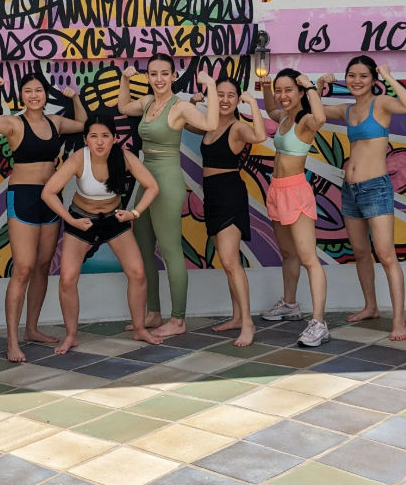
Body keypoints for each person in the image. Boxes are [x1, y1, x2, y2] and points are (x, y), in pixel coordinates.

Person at [0, 73, 87, 362]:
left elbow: (84, 124)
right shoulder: (14, 123)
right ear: (21, 95)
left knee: (41, 265)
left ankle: (32, 329)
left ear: (45, 94)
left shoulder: (56, 122)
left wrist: (74, 99)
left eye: (39, 90)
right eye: (28, 91)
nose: (34, 95)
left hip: (51, 198)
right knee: (23, 267)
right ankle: (12, 340)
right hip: (23, 197)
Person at [41, 115, 163, 353]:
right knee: (67, 278)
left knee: (137, 273)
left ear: (115, 138)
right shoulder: (79, 158)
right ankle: (71, 335)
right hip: (81, 218)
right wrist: (71, 220)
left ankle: (139, 328)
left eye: (105, 136)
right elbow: (48, 192)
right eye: (94, 136)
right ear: (86, 139)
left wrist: (134, 213)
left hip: (113, 218)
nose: (100, 142)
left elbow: (153, 186)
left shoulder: (124, 156)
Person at [317, 56, 406, 341]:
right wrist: (318, 85)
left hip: (375, 187)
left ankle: (399, 320)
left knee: (386, 255)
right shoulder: (348, 110)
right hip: (350, 190)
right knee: (360, 252)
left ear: (373, 80)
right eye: (352, 75)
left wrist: (388, 76)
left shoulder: (382, 103)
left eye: (363, 76)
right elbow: (316, 112)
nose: (356, 81)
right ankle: (370, 306)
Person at [117, 55, 218, 338]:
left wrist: (209, 85)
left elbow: (211, 123)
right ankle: (153, 312)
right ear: (147, 76)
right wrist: (125, 79)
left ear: (174, 75)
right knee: (143, 246)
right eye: (153, 74)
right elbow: (123, 106)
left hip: (167, 183)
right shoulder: (148, 102)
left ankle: (178, 319)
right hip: (144, 180)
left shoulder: (180, 106)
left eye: (164, 73)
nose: (158, 79)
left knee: (171, 250)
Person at [187, 76, 266, 346]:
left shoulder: (237, 128)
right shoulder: (209, 125)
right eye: (219, 94)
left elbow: (260, 135)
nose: (224, 99)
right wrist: (193, 101)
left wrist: (253, 103)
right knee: (227, 261)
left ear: (237, 99)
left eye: (230, 95)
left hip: (230, 194)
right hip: (212, 194)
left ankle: (248, 323)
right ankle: (236, 316)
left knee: (231, 262)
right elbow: (184, 121)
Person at [260, 68, 331, 347]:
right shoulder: (285, 117)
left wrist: (311, 85)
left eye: (288, 90)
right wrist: (266, 87)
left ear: (300, 92)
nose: (282, 95)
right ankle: (290, 304)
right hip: (276, 190)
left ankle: (319, 323)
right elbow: (269, 108)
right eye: (280, 90)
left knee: (308, 258)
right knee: (288, 253)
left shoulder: (304, 120)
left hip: (296, 191)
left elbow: (322, 118)